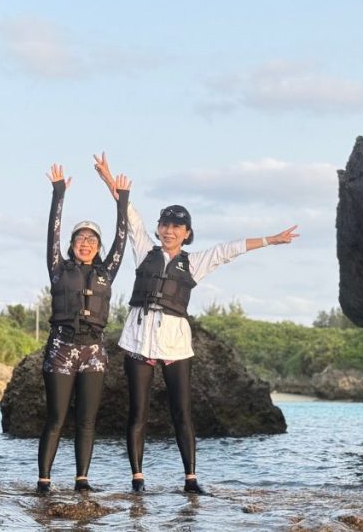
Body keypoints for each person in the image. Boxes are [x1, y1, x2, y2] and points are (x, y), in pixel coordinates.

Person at [93, 152, 299, 495]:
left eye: (177, 227)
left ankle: (190, 479)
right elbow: (129, 214)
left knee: (182, 412)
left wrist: (271, 239)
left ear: (187, 233)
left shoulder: (195, 263)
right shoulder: (144, 250)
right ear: (159, 229)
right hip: (139, 340)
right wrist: (108, 178)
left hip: (175, 344)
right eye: (165, 225)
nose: (169, 230)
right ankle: (138, 480)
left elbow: (230, 249)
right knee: (137, 413)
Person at [37, 162, 131, 494]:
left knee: (87, 421)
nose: (86, 242)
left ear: (99, 247)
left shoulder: (107, 271)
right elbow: (52, 233)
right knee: (56, 418)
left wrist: (122, 201)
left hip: (94, 350)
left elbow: (122, 238)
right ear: (72, 244)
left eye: (92, 239)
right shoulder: (58, 268)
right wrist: (58, 194)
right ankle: (44, 481)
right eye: (80, 238)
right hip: (61, 348)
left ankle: (82, 480)